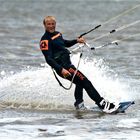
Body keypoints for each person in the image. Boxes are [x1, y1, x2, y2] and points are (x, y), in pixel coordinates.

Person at [40, 16, 119, 113]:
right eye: (49, 24)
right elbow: (49, 59)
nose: (51, 26)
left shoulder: (58, 34)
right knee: (86, 82)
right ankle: (102, 104)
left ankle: (79, 103)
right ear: (44, 25)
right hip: (64, 68)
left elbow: (65, 43)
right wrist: (61, 69)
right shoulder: (45, 40)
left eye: (53, 24)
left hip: (68, 65)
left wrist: (76, 41)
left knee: (79, 83)